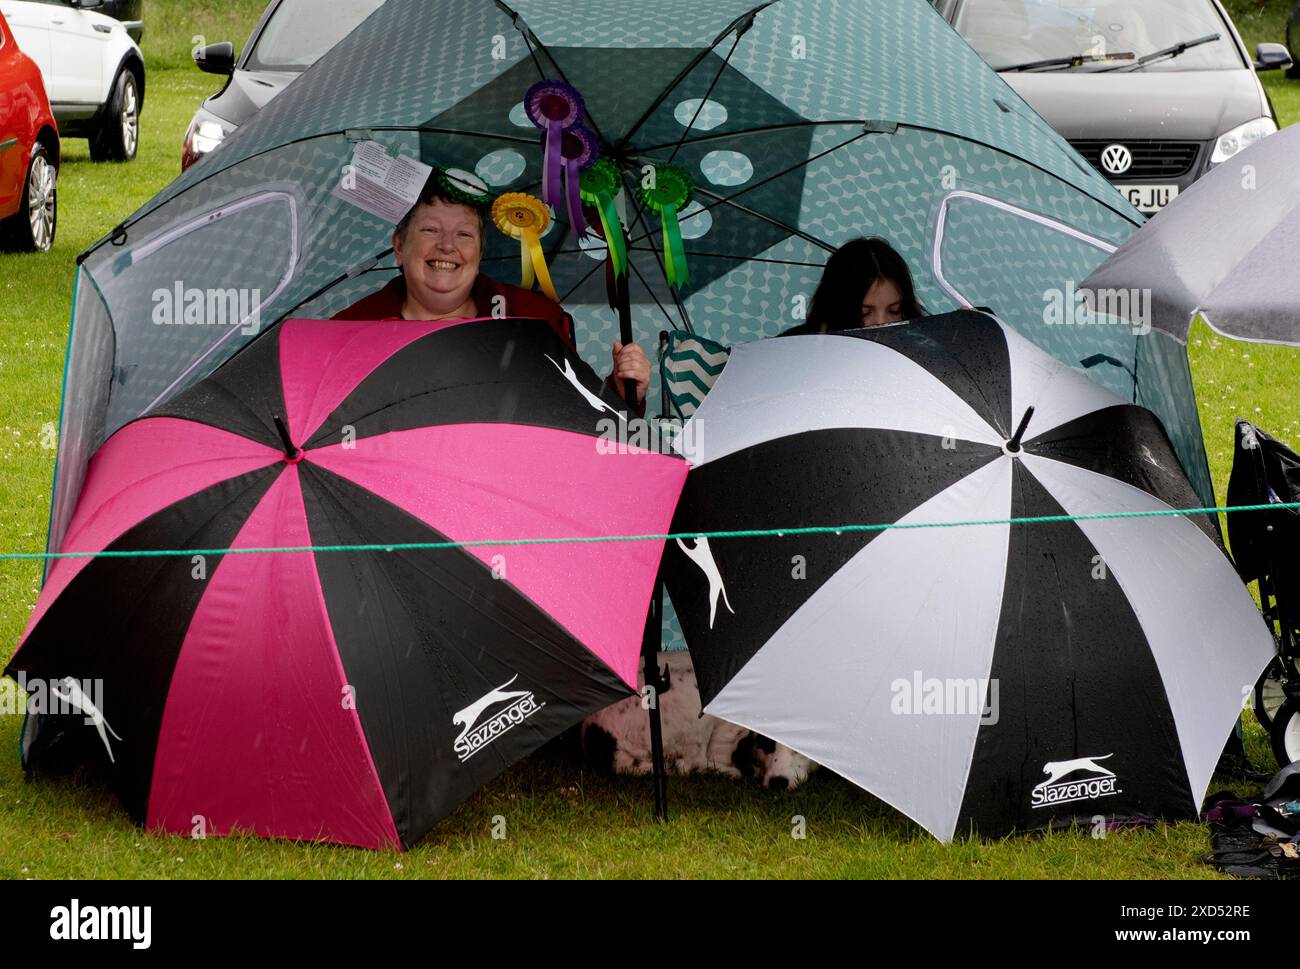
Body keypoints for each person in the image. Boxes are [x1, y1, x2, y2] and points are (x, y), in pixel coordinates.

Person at [335, 172, 649, 411]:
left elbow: (575, 419)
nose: (447, 245)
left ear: (481, 252)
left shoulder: (535, 320)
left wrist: (621, 395)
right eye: (430, 230)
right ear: (399, 246)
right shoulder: (347, 333)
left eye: (464, 234)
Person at [782, 237, 926, 336]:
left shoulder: (920, 354)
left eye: (895, 310)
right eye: (864, 312)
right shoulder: (791, 351)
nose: (882, 323)